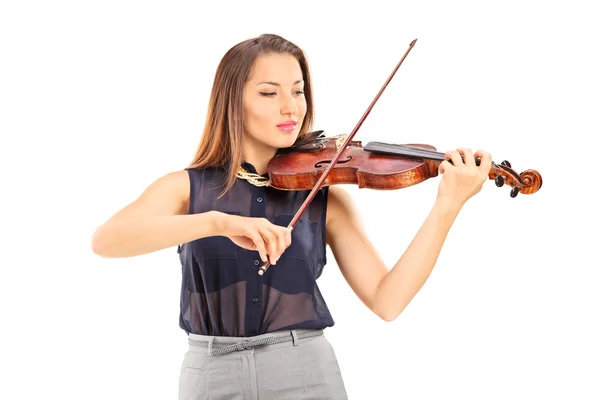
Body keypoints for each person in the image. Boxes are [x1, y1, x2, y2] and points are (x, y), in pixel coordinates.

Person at [91, 33, 492, 400]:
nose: (291, 107)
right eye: (269, 93)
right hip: (209, 374)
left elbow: (388, 301)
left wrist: (447, 205)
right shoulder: (186, 188)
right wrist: (220, 222)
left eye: (298, 92)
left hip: (303, 372)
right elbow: (107, 240)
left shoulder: (324, 196)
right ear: (233, 100)